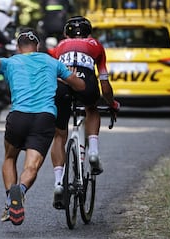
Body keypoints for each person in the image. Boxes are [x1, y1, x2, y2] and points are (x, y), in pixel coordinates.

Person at [0, 28, 86, 226]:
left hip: (18, 117)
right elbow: (80, 86)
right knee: (31, 166)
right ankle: (22, 190)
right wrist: (66, 77)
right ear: (39, 46)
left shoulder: (11, 62)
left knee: (10, 157)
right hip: (44, 118)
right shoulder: (53, 63)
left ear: (18, 48)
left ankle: (11, 198)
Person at [48, 16, 120, 209]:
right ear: (89, 33)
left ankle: (57, 182)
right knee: (91, 108)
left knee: (59, 136)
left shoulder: (58, 48)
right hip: (86, 85)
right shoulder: (96, 45)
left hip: (61, 87)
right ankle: (94, 153)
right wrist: (111, 103)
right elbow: (104, 83)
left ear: (66, 33)